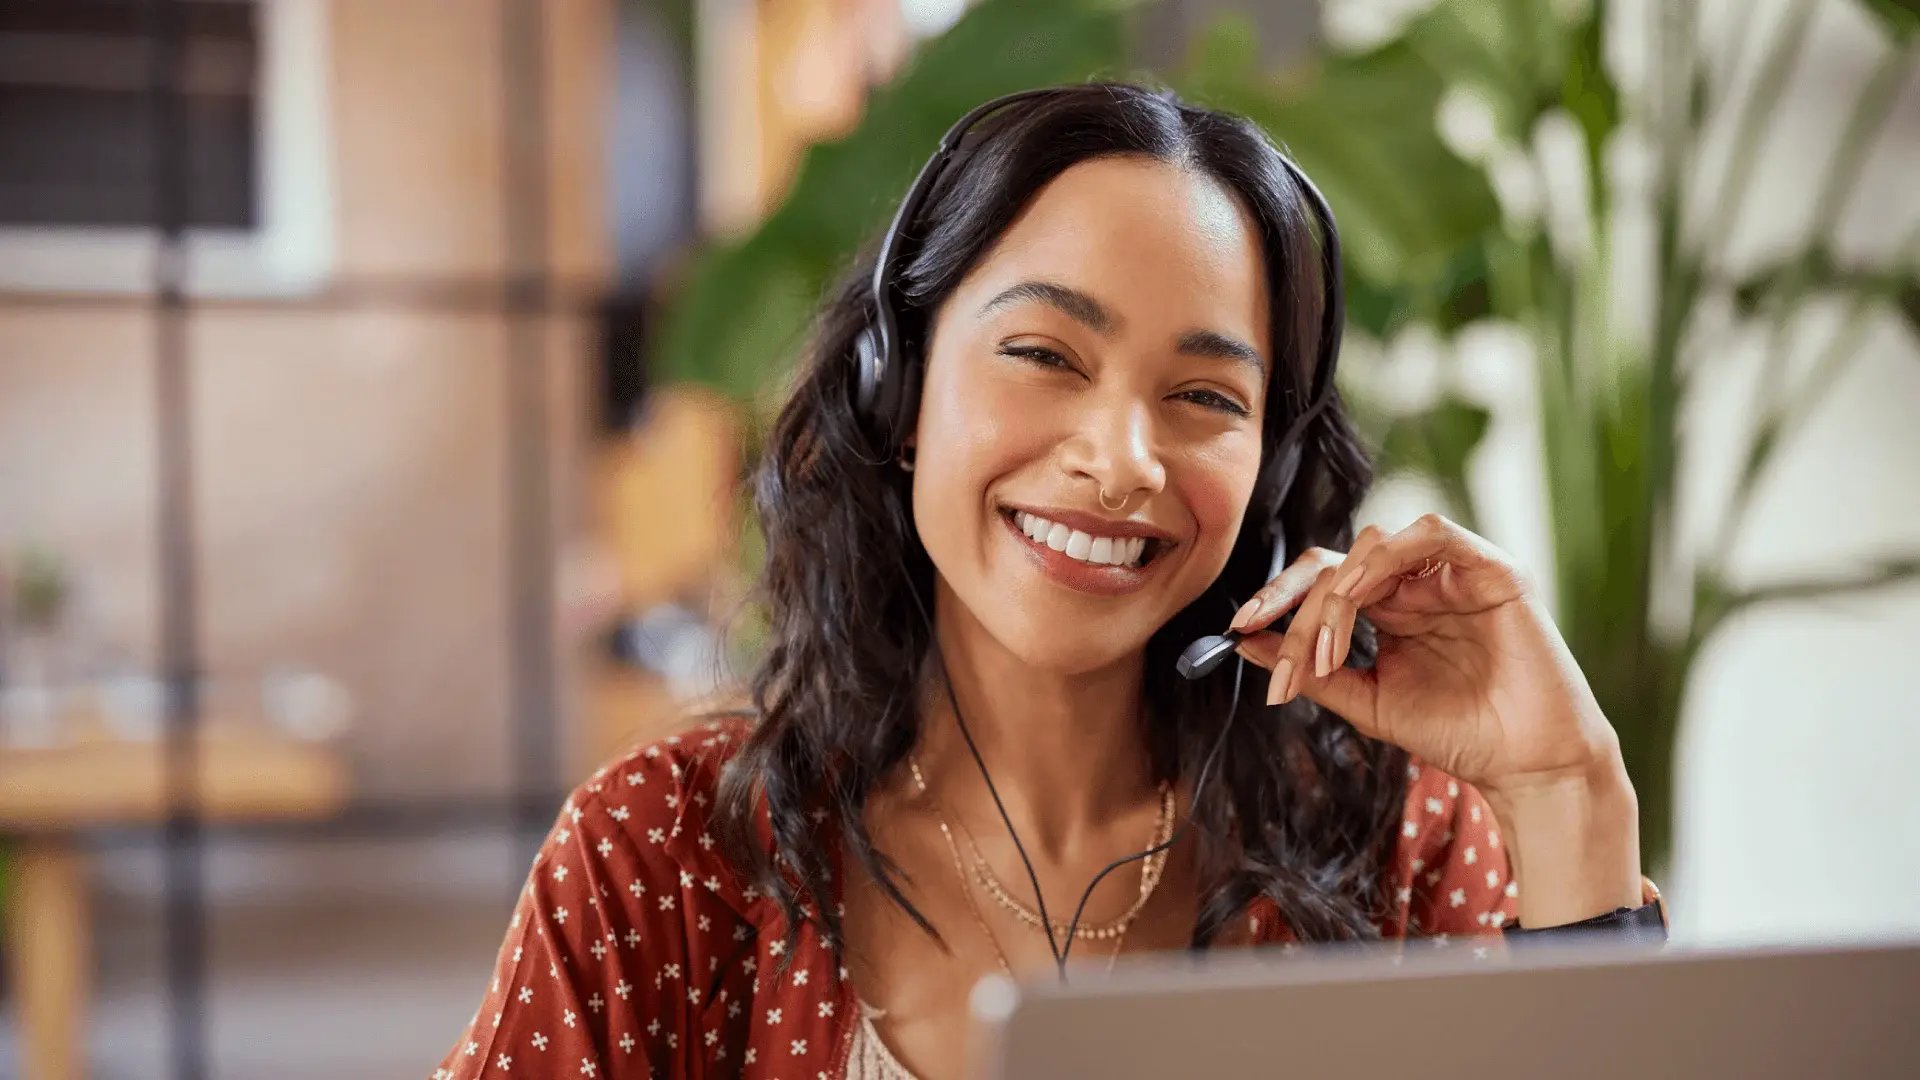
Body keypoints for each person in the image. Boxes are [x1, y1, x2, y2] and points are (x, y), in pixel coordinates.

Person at [430, 82, 1662, 1080]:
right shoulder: (664, 855)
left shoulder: (1394, 839)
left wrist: (1568, 789)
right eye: (1041, 353)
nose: (1121, 462)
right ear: (898, 392)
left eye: (1204, 396)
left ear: (1271, 470)